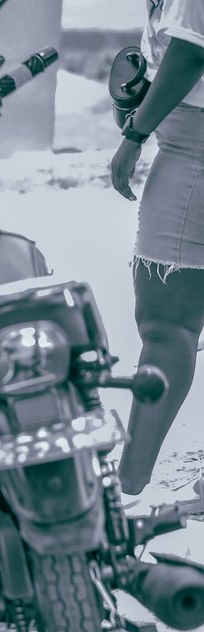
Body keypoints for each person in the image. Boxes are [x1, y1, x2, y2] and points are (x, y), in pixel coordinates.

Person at [110, 0, 204, 496]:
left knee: (167, 323)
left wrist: (135, 132)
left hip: (194, 151)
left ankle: (127, 486)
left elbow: (190, 54)